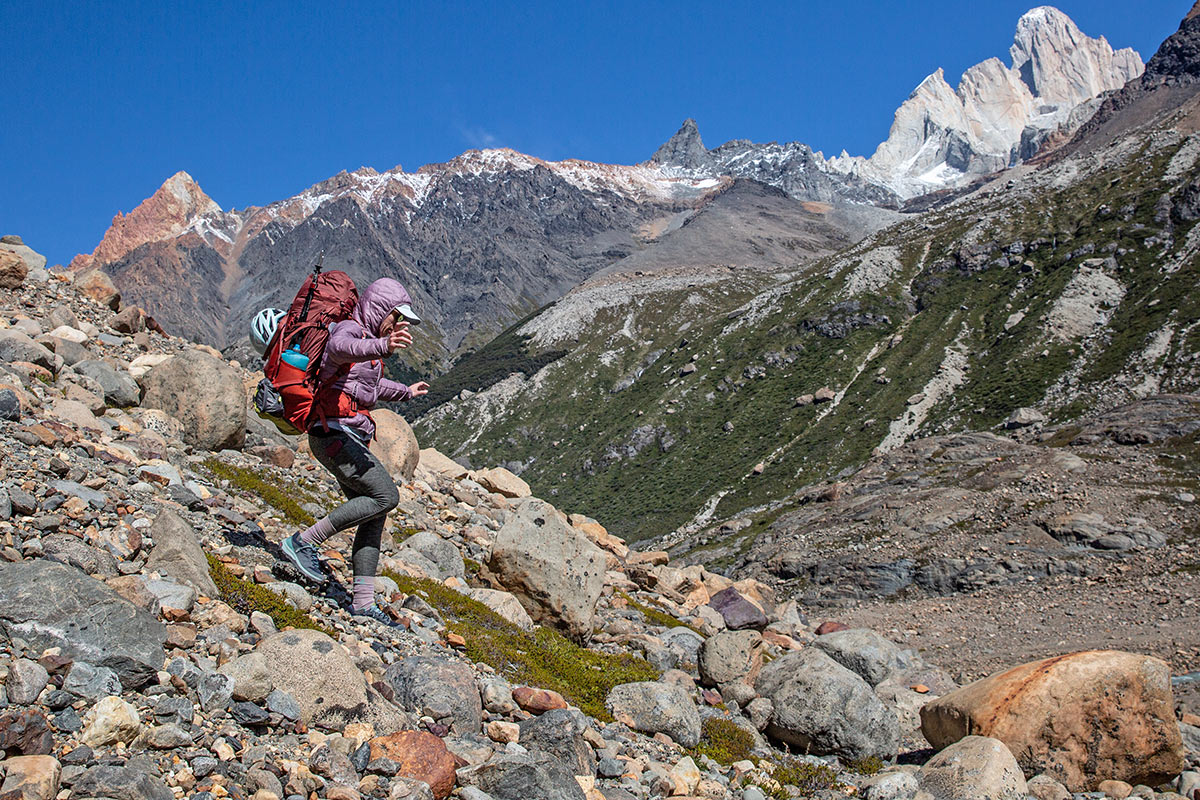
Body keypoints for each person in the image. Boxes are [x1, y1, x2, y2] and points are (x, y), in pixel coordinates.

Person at [280, 277, 429, 625]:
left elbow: (370, 389)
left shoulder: (371, 346)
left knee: (374, 513)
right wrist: (383, 345)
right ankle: (303, 542)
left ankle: (362, 602)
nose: (399, 323)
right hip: (331, 432)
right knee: (386, 496)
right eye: (396, 316)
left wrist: (407, 391)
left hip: (347, 434)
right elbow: (341, 349)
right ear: (379, 309)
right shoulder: (348, 330)